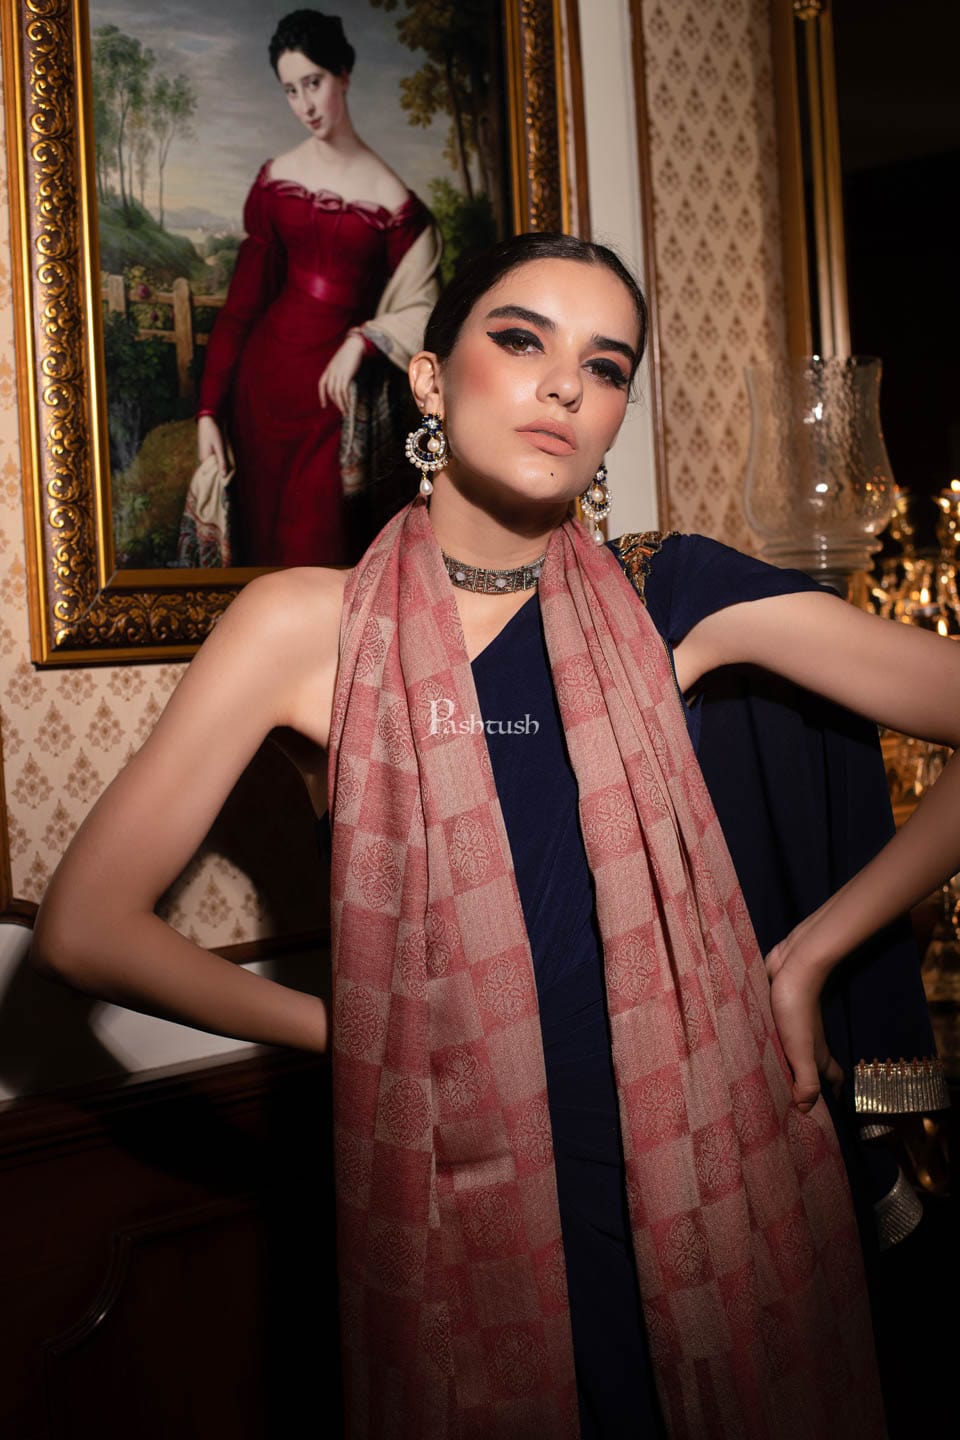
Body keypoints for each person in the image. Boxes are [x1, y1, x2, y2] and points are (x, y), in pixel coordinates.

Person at [33, 233, 959, 1438]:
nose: (566, 385)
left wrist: (808, 961)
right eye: (522, 341)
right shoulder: (305, 628)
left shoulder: (672, 596)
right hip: (456, 1184)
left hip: (701, 1162)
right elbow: (85, 930)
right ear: (429, 379)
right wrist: (355, 1034)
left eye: (606, 366)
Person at [195, 10, 441, 567]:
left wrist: (361, 341)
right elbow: (240, 309)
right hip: (261, 391)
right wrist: (209, 409)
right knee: (263, 558)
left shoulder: (396, 204)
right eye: (291, 90)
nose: (305, 104)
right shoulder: (276, 179)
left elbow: (426, 310)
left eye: (314, 82)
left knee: (320, 562)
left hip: (332, 402)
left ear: (344, 75)